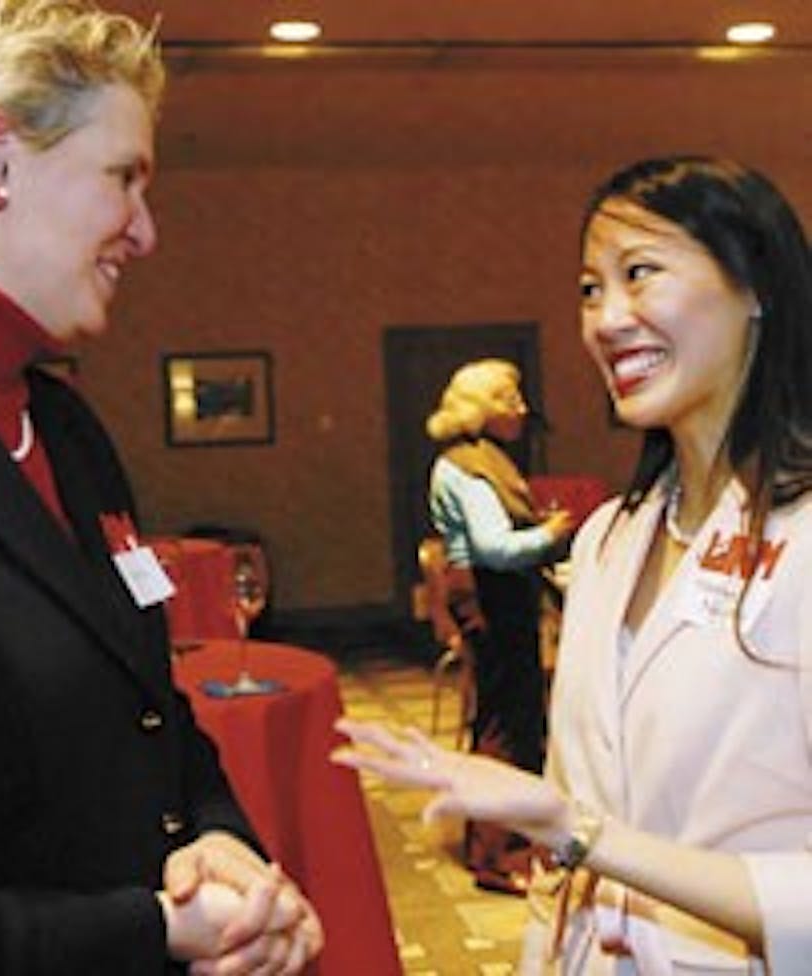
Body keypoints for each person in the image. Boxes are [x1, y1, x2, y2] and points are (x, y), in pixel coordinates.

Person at [0, 2, 322, 973]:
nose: (146, 231)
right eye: (123, 179)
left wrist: (218, 843)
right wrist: (151, 929)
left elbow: (147, 716)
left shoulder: (66, 426)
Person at [335, 155, 812, 974]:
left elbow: (578, 825)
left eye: (640, 274)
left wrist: (580, 835)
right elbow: (572, 814)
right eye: (590, 289)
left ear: (755, 286)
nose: (605, 318)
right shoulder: (604, 543)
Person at [425, 359, 574, 894]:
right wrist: (552, 533)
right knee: (504, 729)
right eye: (510, 399)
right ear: (481, 408)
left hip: (495, 598)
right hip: (491, 598)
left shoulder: (478, 461)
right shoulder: (468, 467)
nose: (522, 409)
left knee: (508, 718)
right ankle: (496, 856)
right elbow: (495, 550)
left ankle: (508, 843)